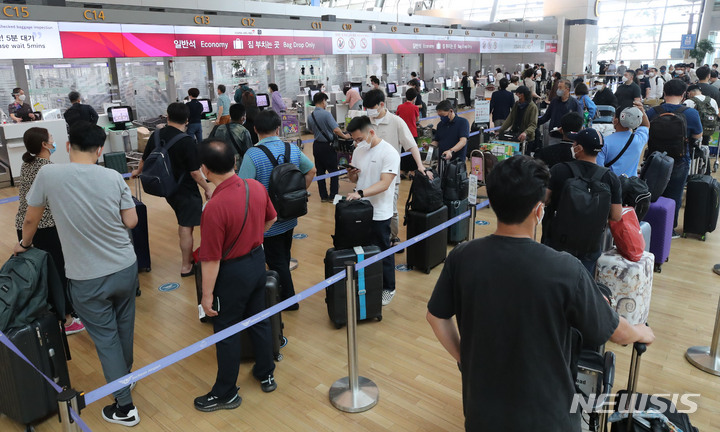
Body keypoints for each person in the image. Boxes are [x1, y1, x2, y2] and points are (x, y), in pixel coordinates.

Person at [426, 155, 655, 432]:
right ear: (538, 211)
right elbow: (615, 332)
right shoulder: (565, 269)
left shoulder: (462, 257)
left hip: (482, 412)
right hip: (549, 415)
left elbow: (436, 317)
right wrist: (641, 332)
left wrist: (465, 357)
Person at [15, 121, 141, 426]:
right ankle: (124, 378)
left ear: (68, 146)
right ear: (100, 150)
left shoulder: (49, 174)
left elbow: (30, 219)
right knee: (123, 329)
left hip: (87, 276)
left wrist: (24, 244)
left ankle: (125, 407)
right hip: (125, 266)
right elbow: (132, 220)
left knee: (106, 338)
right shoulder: (111, 176)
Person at [193, 138, 278, 413]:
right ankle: (266, 373)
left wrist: (206, 297)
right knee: (259, 320)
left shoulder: (214, 207)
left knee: (226, 332)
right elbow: (271, 218)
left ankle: (226, 392)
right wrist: (255, 237)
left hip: (232, 272)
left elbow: (211, 259)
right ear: (235, 161)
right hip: (257, 261)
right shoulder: (255, 186)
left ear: (205, 170)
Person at [238, 110, 316, 309]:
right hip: (290, 212)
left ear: (255, 129)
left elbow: (244, 187)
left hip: (267, 218)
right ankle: (282, 290)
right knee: (284, 255)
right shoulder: (292, 149)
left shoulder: (253, 154)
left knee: (276, 260)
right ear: (278, 128)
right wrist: (298, 193)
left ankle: (289, 301)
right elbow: (311, 170)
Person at [14, 127, 85, 335]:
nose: (53, 140)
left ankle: (59, 313)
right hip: (42, 228)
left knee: (43, 273)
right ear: (45, 145)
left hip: (25, 226)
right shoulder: (47, 169)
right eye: (51, 138)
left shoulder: (27, 164)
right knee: (57, 273)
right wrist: (25, 243)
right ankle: (67, 320)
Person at [132, 103, 213, 276]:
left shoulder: (157, 134)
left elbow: (144, 159)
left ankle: (188, 260)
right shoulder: (187, 141)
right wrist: (207, 188)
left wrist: (137, 172)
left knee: (184, 222)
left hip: (167, 187)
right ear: (187, 120)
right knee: (186, 226)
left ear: (167, 117)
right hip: (185, 190)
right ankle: (186, 266)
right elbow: (194, 173)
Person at [544, 128, 623, 274]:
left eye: (574, 142)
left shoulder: (560, 170)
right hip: (590, 244)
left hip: (558, 241)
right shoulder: (610, 178)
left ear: (579, 148)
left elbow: (545, 199)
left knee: (553, 279)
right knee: (582, 283)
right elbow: (616, 215)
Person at [345, 116, 400, 306]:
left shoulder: (389, 153)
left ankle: (388, 287)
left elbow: (385, 184)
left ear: (371, 132)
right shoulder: (359, 150)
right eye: (354, 139)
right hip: (360, 210)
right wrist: (352, 176)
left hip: (380, 211)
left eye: (359, 139)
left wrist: (360, 192)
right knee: (362, 248)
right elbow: (356, 180)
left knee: (383, 249)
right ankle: (368, 282)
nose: (357, 143)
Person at [363, 89, 428, 247]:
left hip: (390, 176)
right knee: (370, 208)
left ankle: (393, 237)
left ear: (381, 105)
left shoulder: (396, 121)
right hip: (369, 175)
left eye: (371, 107)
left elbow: (411, 145)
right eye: (367, 108)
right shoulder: (365, 121)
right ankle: (375, 238)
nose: (369, 111)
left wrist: (420, 165)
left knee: (390, 210)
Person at [646, 79, 703, 236]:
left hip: (655, 158)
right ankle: (669, 229)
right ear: (684, 95)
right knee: (674, 194)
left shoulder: (653, 112)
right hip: (679, 159)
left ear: (664, 93)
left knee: (653, 192)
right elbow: (698, 135)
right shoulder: (691, 113)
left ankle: (649, 223)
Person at [307, 92, 351, 203]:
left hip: (317, 145)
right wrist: (345, 136)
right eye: (325, 101)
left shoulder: (310, 115)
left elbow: (311, 130)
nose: (326, 103)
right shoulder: (326, 114)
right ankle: (333, 196)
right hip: (328, 146)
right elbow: (336, 129)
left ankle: (323, 196)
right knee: (333, 171)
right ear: (322, 101)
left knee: (320, 172)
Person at [596, 104, 650, 178]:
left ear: (616, 120)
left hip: (612, 185)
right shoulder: (639, 139)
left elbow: (599, 169)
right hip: (631, 185)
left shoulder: (604, 142)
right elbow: (646, 125)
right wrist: (641, 111)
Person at [208, 104, 253, 171]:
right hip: (237, 166)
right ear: (243, 118)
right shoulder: (243, 131)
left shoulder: (219, 128)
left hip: (221, 164)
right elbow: (249, 152)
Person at [684, 84, 719, 149]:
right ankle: (705, 158)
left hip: (694, 132)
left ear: (690, 92)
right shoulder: (712, 101)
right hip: (708, 130)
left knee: (693, 149)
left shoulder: (689, 101)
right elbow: (716, 114)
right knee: (705, 147)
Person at [396, 88, 421, 176]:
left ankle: (402, 170)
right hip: (412, 132)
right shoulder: (415, 108)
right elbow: (417, 119)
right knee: (412, 152)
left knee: (403, 151)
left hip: (401, 132)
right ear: (414, 98)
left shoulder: (400, 107)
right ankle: (412, 171)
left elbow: (397, 117)